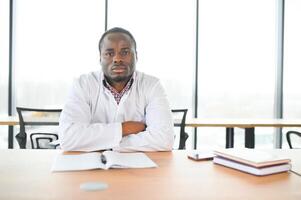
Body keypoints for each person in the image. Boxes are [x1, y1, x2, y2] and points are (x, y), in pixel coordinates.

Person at [58, 27, 174, 152]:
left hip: (138, 168)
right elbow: (68, 138)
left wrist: (100, 143)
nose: (117, 59)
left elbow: (164, 139)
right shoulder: (83, 84)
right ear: (100, 58)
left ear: (136, 56)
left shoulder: (152, 85)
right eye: (109, 53)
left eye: (124, 52)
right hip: (91, 167)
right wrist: (124, 129)